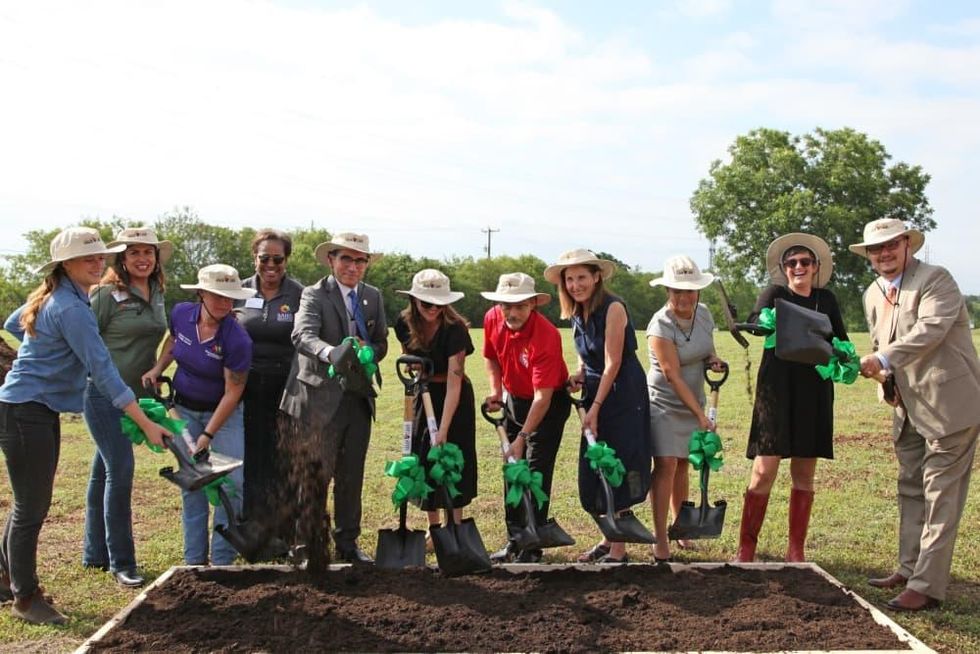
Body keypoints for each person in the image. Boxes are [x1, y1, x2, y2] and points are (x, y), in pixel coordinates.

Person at [0, 227, 170, 625]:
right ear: (65, 264)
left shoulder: (62, 297)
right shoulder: (73, 308)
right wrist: (145, 423)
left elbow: (13, 322)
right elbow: (105, 373)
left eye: (100, 257)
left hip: (30, 408)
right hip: (27, 410)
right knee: (32, 505)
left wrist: (42, 354)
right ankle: (26, 598)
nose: (99, 263)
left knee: (29, 500)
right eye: (88, 258)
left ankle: (8, 577)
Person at [851, 218, 980, 612]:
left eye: (891, 245)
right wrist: (883, 377)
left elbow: (929, 331)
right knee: (910, 488)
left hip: (949, 406)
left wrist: (882, 358)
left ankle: (925, 586)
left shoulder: (937, 279)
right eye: (876, 249)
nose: (884, 254)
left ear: (908, 244)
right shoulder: (873, 293)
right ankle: (908, 568)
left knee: (941, 495)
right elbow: (879, 343)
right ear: (869, 256)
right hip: (906, 409)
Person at [734, 233, 847, 564]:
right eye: (792, 263)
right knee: (764, 469)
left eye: (805, 262)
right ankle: (746, 548)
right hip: (776, 389)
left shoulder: (826, 300)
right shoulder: (775, 294)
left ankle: (795, 550)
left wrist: (844, 353)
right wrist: (764, 322)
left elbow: (839, 338)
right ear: (784, 269)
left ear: (816, 267)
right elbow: (754, 322)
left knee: (804, 470)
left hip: (814, 390)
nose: (798, 267)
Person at [279, 232, 388, 564]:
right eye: (345, 258)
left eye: (359, 260)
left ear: (366, 264)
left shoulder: (373, 296)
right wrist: (332, 353)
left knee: (351, 475)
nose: (352, 267)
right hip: (317, 399)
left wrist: (371, 350)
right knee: (314, 476)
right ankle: (306, 546)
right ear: (331, 260)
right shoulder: (315, 294)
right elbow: (302, 335)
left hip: (357, 399)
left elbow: (382, 341)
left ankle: (348, 543)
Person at [141, 264, 255, 566]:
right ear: (201, 293)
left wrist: (207, 435)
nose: (224, 304)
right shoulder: (181, 314)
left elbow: (233, 392)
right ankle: (193, 561)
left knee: (232, 483)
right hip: (182, 410)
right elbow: (174, 342)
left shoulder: (237, 339)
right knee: (192, 481)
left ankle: (221, 560)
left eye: (230, 298)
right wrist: (157, 369)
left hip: (222, 414)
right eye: (218, 296)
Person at [544, 248, 651, 564]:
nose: (575, 284)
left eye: (581, 277)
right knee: (595, 465)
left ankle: (619, 550)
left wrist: (596, 406)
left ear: (596, 276)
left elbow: (613, 361)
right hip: (595, 388)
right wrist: (579, 373)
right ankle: (608, 537)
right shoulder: (577, 311)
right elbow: (585, 352)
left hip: (621, 393)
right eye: (569, 279)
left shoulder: (614, 308)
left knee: (616, 463)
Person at [82, 227, 171, 588]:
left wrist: (157, 370)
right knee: (120, 471)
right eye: (133, 252)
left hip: (136, 396)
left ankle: (94, 554)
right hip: (103, 394)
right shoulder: (104, 294)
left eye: (148, 252)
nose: (142, 259)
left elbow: (161, 339)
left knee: (102, 473)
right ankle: (122, 562)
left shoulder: (158, 292)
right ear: (121, 257)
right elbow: (84, 339)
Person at [480, 273, 571, 564]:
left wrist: (521, 437)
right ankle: (515, 538)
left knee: (534, 470)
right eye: (506, 305)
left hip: (549, 404)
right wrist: (496, 389)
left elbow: (542, 398)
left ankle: (532, 545)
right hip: (514, 401)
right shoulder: (493, 319)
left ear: (533, 303)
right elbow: (491, 356)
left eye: (519, 305)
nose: (512, 312)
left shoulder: (546, 335)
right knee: (511, 469)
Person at [646, 255, 726, 563]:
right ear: (667, 291)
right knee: (666, 463)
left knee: (682, 464)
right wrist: (699, 415)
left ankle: (681, 529)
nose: (683, 297)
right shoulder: (660, 325)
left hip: (694, 401)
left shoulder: (703, 314)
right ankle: (660, 539)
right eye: (677, 290)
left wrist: (713, 360)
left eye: (689, 290)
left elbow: (707, 348)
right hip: (664, 403)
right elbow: (672, 373)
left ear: (698, 293)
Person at [394, 270, 476, 531]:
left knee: (452, 458)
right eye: (427, 303)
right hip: (424, 392)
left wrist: (443, 429)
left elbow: (454, 382)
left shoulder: (456, 330)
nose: (433, 308)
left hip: (455, 398)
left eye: (439, 303)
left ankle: (455, 525)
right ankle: (434, 529)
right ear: (415, 300)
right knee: (425, 458)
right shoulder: (404, 323)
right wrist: (413, 369)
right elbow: (408, 355)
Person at [235, 229, 304, 526]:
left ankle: (284, 529)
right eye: (265, 258)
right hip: (245, 388)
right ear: (255, 258)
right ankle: (252, 526)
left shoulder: (300, 294)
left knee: (283, 459)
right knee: (251, 457)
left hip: (286, 389)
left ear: (286, 260)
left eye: (278, 258)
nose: (271, 265)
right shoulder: (239, 291)